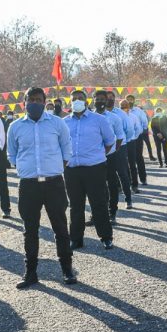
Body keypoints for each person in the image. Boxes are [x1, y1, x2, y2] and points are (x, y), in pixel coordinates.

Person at [7, 87, 77, 287]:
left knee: (60, 228)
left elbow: (66, 148)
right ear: (24, 102)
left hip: (54, 183)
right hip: (28, 185)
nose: (35, 103)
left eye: (39, 100)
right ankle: (30, 273)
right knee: (30, 230)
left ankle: (67, 270)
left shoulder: (57, 123)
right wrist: (24, 168)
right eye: (31, 99)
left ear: (45, 102)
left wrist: (55, 168)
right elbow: (12, 153)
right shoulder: (15, 126)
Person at [64, 89, 115, 250]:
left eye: (80, 98)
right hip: (72, 170)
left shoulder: (99, 120)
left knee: (99, 203)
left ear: (86, 101)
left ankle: (106, 237)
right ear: (70, 102)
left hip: (95, 169)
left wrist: (97, 156)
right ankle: (76, 239)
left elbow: (109, 141)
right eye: (74, 99)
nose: (77, 101)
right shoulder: (64, 122)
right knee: (75, 205)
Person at [95, 91, 133, 219]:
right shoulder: (90, 117)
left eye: (103, 99)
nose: (100, 102)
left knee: (118, 177)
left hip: (115, 152)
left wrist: (114, 150)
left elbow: (126, 133)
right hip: (96, 156)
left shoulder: (117, 116)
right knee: (98, 184)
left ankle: (118, 206)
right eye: (97, 99)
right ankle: (100, 212)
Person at [126, 94, 151, 184]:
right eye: (128, 99)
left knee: (139, 157)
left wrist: (141, 131)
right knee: (128, 159)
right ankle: (130, 180)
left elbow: (145, 122)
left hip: (138, 137)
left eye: (131, 99)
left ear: (134, 100)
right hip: (127, 139)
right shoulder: (122, 111)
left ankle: (143, 178)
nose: (129, 101)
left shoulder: (138, 111)